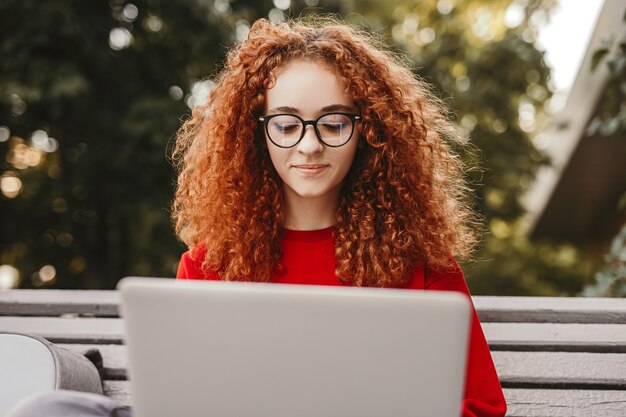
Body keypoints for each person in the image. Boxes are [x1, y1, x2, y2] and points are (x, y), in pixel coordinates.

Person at [7, 17, 506, 417]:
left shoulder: (421, 266)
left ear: (367, 131)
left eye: (334, 122)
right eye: (286, 124)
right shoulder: (207, 265)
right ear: (257, 132)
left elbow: (482, 407)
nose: (309, 144)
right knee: (51, 408)